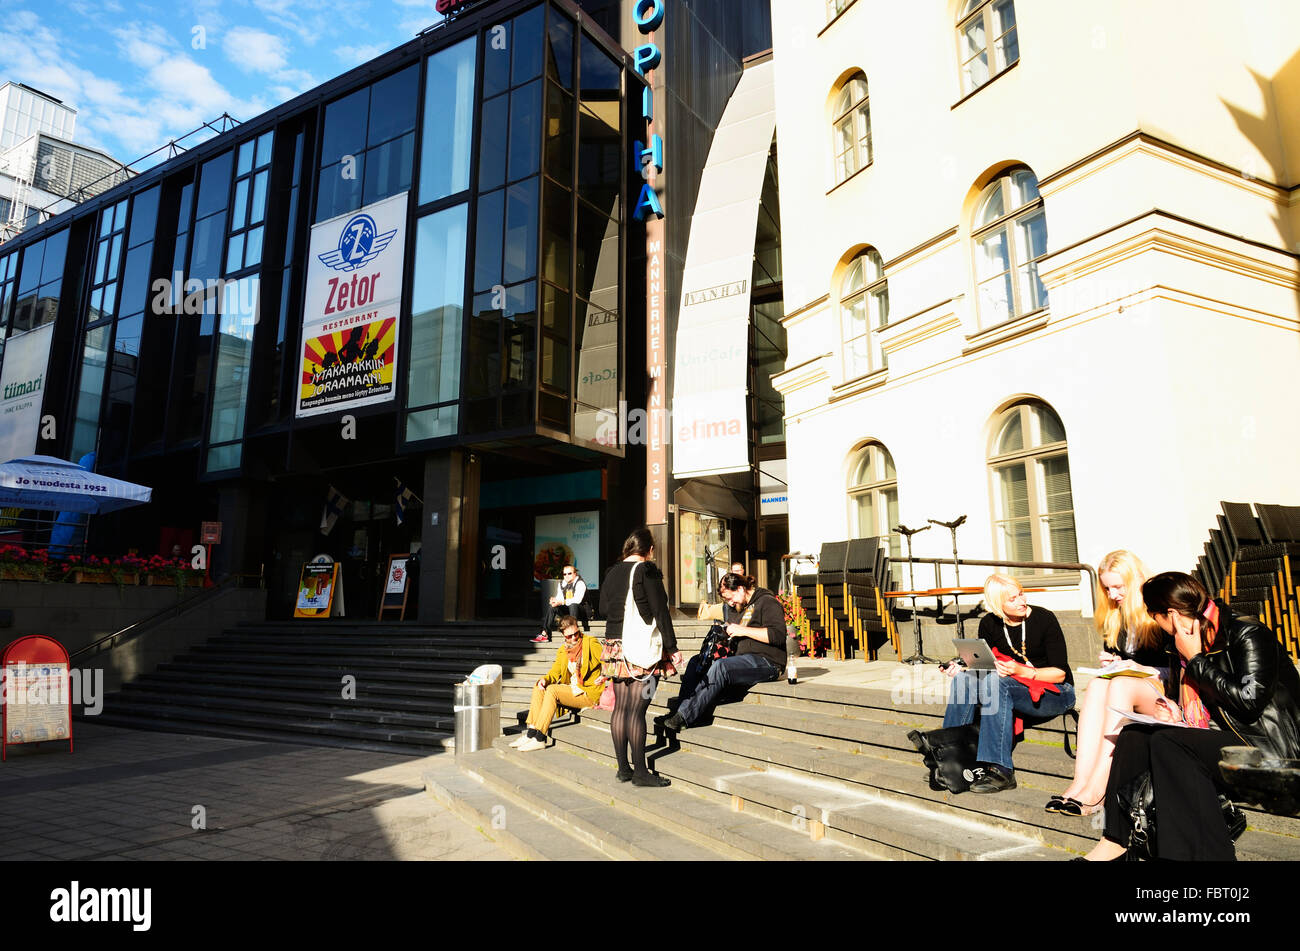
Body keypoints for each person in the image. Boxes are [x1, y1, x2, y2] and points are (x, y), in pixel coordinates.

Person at [1082, 572, 1300, 861]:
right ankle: (1114, 843)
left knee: (1169, 743)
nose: (1153, 620)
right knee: (1135, 734)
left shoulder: (1246, 633)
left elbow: (1249, 702)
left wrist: (1197, 659)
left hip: (1268, 747)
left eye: (1153, 614)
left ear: (1170, 613)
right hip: (1221, 735)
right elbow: (1199, 701)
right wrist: (1176, 710)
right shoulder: (1180, 640)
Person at [1048, 550, 1169, 815]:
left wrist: (1140, 668)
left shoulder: (1159, 612)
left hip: (1166, 695)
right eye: (1107, 588)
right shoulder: (1117, 616)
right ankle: (1080, 782)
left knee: (1119, 684)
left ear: (1137, 579)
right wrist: (1113, 662)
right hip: (1129, 689)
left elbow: (1184, 668)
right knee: (1097, 684)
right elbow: (1125, 664)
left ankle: (1098, 788)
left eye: (1118, 587)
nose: (1112, 595)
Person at [941, 573, 1076, 793]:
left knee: (996, 683)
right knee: (964, 680)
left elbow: (1059, 674)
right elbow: (985, 666)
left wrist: (1022, 670)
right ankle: (950, 759)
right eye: (1012, 599)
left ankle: (1000, 769)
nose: (1021, 601)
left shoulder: (1044, 618)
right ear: (997, 604)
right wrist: (961, 667)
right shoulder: (989, 623)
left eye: (1021, 594)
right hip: (1016, 687)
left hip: (1057, 692)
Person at [598, 529, 683, 787]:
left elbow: (602, 608)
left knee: (621, 709)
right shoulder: (647, 570)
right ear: (650, 549)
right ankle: (641, 773)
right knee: (637, 710)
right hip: (639, 647)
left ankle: (623, 768)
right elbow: (660, 610)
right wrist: (672, 646)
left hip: (613, 647)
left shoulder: (612, 572)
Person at [659, 573, 786, 732]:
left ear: (741, 588)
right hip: (740, 659)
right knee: (696, 661)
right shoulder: (734, 607)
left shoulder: (767, 602)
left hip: (768, 661)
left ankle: (685, 716)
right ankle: (677, 712)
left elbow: (778, 636)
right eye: (726, 600)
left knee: (721, 667)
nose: (730, 603)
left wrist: (742, 630)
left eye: (731, 598)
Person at [511, 615, 604, 751]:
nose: (573, 638)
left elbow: (608, 662)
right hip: (573, 689)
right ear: (563, 636)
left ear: (578, 630)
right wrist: (545, 680)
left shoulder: (591, 643)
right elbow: (555, 672)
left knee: (553, 690)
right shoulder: (563, 650)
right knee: (539, 686)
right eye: (569, 636)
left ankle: (540, 738)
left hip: (588, 692)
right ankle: (531, 733)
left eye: (576, 634)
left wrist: (604, 676)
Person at [534, 564, 588, 643]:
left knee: (573, 605)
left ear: (575, 574)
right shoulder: (562, 584)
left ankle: (574, 633)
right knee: (553, 607)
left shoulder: (580, 583)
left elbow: (577, 600)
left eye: (569, 573)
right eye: (564, 574)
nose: (567, 576)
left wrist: (561, 602)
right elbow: (559, 598)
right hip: (569, 611)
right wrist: (554, 601)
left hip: (582, 612)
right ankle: (545, 633)